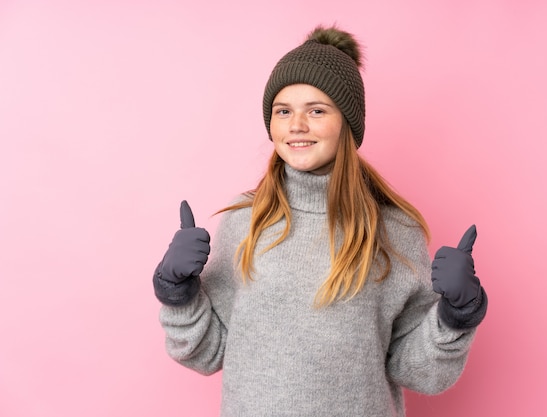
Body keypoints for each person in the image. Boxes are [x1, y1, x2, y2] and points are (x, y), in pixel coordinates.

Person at [153, 25, 488, 417]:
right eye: (284, 111)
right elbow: (208, 352)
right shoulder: (246, 222)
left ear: (346, 122)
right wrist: (177, 291)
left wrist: (456, 314)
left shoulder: (395, 230)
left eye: (316, 110)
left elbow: (419, 371)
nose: (297, 125)